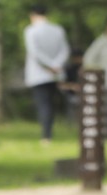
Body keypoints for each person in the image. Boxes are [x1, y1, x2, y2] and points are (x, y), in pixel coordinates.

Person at [23, 4, 70, 145]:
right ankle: (48, 132)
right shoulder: (58, 30)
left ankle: (46, 136)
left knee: (44, 105)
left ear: (33, 15)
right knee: (50, 104)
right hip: (56, 74)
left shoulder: (31, 31)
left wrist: (49, 65)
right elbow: (64, 50)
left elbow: (35, 52)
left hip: (39, 74)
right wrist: (56, 65)